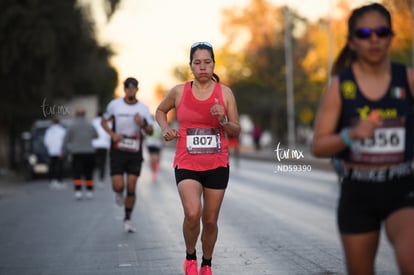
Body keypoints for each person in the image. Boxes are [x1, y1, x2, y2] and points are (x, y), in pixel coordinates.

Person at [311, 3, 414, 275]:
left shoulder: (408, 80)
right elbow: (318, 146)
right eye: (365, 33)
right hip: (358, 192)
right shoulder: (340, 86)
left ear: (391, 36)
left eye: (381, 32)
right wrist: (351, 134)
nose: (374, 39)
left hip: (403, 188)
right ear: (352, 42)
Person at [156, 42, 241, 275]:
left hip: (217, 164)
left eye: (207, 62)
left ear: (213, 64)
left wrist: (223, 120)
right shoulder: (179, 91)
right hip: (186, 162)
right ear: (191, 66)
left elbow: (236, 129)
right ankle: (190, 256)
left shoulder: (225, 93)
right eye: (197, 63)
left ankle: (207, 263)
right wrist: (165, 129)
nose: (203, 67)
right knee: (193, 213)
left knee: (210, 220)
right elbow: (160, 111)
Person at [101, 77, 154, 233]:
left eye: (133, 88)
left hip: (135, 150)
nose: (130, 90)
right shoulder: (114, 105)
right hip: (118, 148)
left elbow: (150, 131)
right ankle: (118, 192)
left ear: (137, 89)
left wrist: (142, 124)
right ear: (124, 89)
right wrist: (112, 134)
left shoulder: (143, 108)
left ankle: (128, 218)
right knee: (119, 185)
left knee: (131, 186)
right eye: (128, 88)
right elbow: (104, 121)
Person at [63, 108, 98, 200]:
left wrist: (63, 150)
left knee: (77, 173)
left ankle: (78, 191)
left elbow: (66, 139)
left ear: (76, 115)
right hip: (89, 152)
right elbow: (96, 135)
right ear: (84, 114)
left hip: (76, 153)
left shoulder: (72, 126)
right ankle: (89, 191)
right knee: (88, 173)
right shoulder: (90, 125)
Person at [43, 117, 67, 189]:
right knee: (59, 167)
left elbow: (46, 141)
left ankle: (51, 181)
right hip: (60, 151)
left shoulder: (49, 131)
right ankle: (59, 181)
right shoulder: (62, 130)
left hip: (51, 151)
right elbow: (64, 141)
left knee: (52, 167)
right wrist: (62, 150)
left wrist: (49, 148)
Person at [92, 112, 111, 187]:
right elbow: (109, 133)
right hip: (104, 145)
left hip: (94, 145)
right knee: (102, 163)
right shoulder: (106, 122)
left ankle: (93, 177)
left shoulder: (93, 122)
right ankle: (101, 179)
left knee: (94, 163)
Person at [145, 117, 164, 181]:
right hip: (154, 143)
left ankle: (154, 170)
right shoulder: (158, 124)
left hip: (152, 143)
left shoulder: (149, 124)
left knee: (153, 158)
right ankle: (154, 169)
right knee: (155, 157)